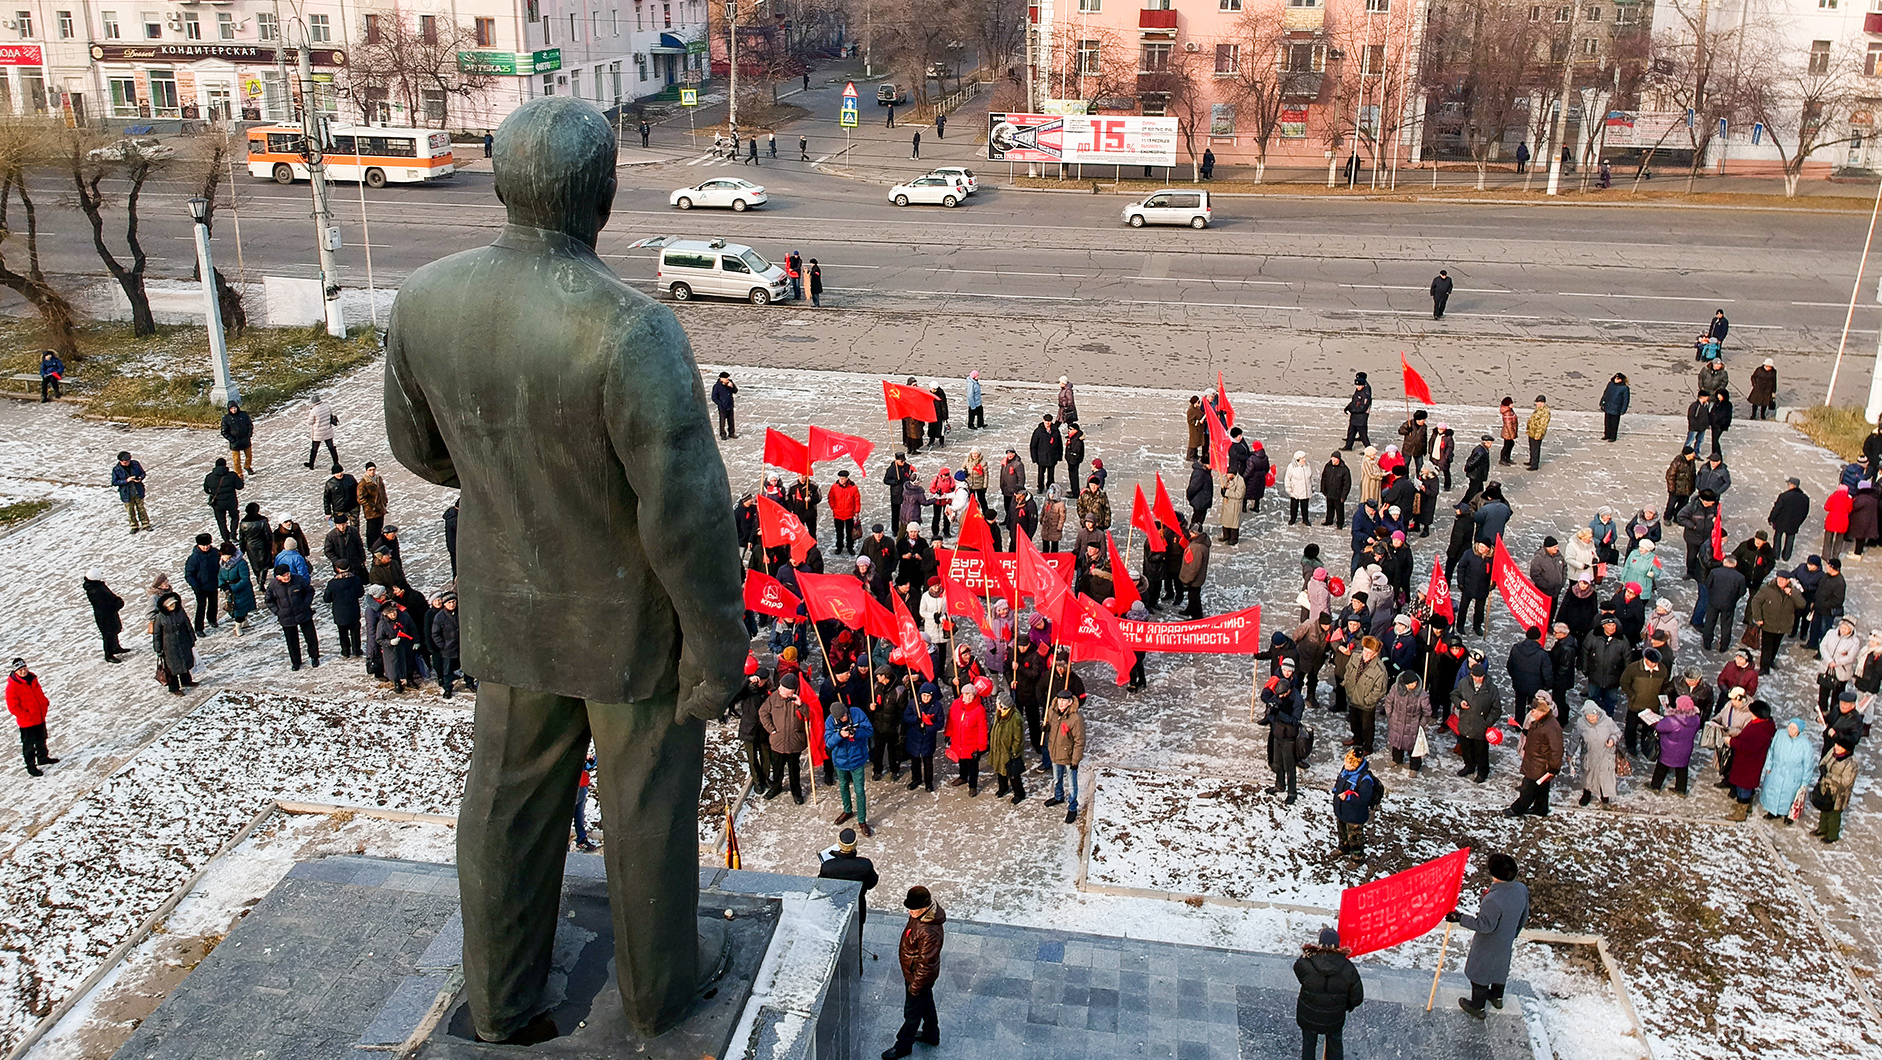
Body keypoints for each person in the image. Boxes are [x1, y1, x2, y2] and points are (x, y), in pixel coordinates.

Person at [1449, 852, 1530, 1019]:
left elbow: (1485, 926)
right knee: (1500, 971)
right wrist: (1512, 934)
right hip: (1506, 940)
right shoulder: (1521, 889)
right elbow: (1524, 915)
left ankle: (1477, 1007)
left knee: (1480, 975)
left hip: (1488, 945)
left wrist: (1460, 918)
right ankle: (1497, 997)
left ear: (1494, 875)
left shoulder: (1493, 899)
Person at [882, 885, 945, 1059]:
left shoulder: (930, 932)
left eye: (914, 908)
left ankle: (903, 1045)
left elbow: (926, 964)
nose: (910, 911)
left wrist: (915, 986)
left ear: (924, 908)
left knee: (912, 1013)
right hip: (915, 974)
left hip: (918, 977)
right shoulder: (922, 917)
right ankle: (931, 1035)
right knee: (926, 1004)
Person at [1294, 927, 1363, 1060]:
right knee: (1334, 1045)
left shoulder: (1306, 963)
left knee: (1308, 1045)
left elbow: (1299, 971)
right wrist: (1346, 1005)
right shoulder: (1348, 968)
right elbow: (1357, 997)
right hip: (1334, 1018)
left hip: (1308, 1016)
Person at [817, 828, 879, 973]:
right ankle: (857, 970)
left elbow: (822, 887)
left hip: (836, 907)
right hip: (858, 906)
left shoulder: (828, 866)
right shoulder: (865, 864)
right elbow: (871, 883)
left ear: (839, 844)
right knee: (856, 938)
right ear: (855, 845)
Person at [826, 693, 875, 834]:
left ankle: (862, 820)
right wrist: (840, 735)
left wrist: (857, 732)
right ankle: (847, 810)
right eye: (841, 718)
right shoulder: (830, 722)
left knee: (859, 791)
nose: (845, 718)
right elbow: (828, 743)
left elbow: (869, 730)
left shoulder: (857, 713)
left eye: (845, 715)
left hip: (857, 759)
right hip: (840, 761)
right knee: (843, 786)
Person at [1506, 695, 1562, 816]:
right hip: (1535, 761)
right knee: (1542, 788)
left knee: (1528, 788)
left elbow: (1557, 751)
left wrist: (1553, 769)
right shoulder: (1543, 721)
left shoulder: (1551, 728)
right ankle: (1540, 809)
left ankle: (1517, 809)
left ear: (1541, 712)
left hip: (1539, 766)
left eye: (1533, 710)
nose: (1531, 712)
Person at [264, 562, 321, 671]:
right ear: (278, 577)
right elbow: (268, 600)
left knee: (310, 637)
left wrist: (306, 604)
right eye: (284, 576)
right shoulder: (273, 586)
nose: (287, 577)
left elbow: (309, 591)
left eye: (288, 574)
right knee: (291, 641)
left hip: (303, 613)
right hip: (286, 617)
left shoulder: (298, 579)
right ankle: (296, 662)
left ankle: (314, 657)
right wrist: (278, 612)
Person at [1262, 658, 1305, 802]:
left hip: (1288, 738)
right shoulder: (1280, 693)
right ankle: (1279, 785)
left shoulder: (1297, 700)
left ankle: (1292, 792)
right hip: (1277, 734)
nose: (1279, 697)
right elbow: (1272, 702)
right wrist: (1271, 714)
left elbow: (1294, 721)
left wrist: (1279, 712)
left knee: (1289, 766)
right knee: (1277, 763)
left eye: (1281, 695)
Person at [1758, 718, 1817, 822]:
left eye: (1794, 728)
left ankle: (1788, 815)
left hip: (1793, 776)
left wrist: (1804, 782)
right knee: (1773, 792)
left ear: (1799, 730)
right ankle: (1772, 811)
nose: (1791, 730)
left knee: (1788, 796)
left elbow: (1808, 765)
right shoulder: (1780, 734)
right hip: (1776, 770)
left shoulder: (1805, 745)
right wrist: (1769, 765)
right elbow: (1771, 750)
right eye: (1790, 727)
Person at [6, 659, 56, 776]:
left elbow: (39, 693)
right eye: (20, 670)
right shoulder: (12, 687)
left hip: (39, 716)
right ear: (15, 671)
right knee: (29, 746)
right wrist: (26, 716)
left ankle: (43, 758)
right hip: (27, 722)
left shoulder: (32, 679)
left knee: (42, 739)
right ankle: (31, 767)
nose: (23, 671)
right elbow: (13, 707)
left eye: (24, 668)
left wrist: (44, 702)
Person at [1043, 689, 1085, 823]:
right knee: (1057, 779)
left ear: (1070, 702)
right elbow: (1051, 725)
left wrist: (1075, 760)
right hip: (1055, 752)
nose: (1061, 703)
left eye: (1064, 701)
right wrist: (1046, 728)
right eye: (1059, 700)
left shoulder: (1075, 718)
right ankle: (1059, 796)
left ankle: (1072, 808)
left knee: (1072, 785)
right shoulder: (1052, 712)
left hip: (1068, 756)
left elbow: (1080, 741)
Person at [1331, 748, 1380, 862]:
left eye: (1348, 763)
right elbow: (1340, 782)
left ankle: (1357, 857)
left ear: (1355, 765)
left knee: (1355, 838)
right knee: (1342, 832)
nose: (1345, 764)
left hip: (1355, 816)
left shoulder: (1365, 780)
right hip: (1342, 811)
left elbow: (1363, 799)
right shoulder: (1346, 771)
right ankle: (1343, 847)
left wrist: (1348, 797)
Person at [151, 590, 198, 695]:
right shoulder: (160, 617)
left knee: (184, 661)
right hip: (169, 646)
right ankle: (174, 688)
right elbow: (157, 635)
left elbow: (187, 625)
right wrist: (158, 649)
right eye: (171, 604)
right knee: (172, 668)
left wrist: (192, 639)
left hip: (183, 641)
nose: (174, 606)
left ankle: (186, 681)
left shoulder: (180, 611)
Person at [1574, 701, 1621, 807]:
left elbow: (1617, 733)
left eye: (1593, 716)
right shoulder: (1580, 723)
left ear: (1598, 714)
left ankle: (1605, 796)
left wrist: (1612, 739)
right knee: (1588, 775)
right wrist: (1570, 752)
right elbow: (1575, 738)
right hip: (1589, 755)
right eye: (1588, 716)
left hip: (1605, 755)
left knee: (1604, 776)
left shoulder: (1608, 721)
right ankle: (1587, 794)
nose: (1591, 719)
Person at [1813, 742, 1859, 844]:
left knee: (1834, 814)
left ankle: (1832, 835)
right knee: (1824, 810)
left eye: (1840, 746)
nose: (1836, 747)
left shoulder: (1851, 764)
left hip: (1838, 795)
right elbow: (1824, 761)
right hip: (1826, 789)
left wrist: (1829, 776)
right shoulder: (1832, 752)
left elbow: (1845, 782)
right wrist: (1822, 767)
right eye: (1836, 745)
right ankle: (1822, 829)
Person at [82, 569, 128, 662]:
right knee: (108, 634)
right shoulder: (95, 590)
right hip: (104, 615)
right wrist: (117, 604)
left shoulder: (95, 586)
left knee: (114, 630)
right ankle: (109, 655)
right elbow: (105, 604)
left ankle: (116, 647)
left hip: (107, 614)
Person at [113, 451, 152, 534]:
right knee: (130, 511)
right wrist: (126, 480)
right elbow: (114, 482)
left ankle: (146, 524)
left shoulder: (135, 464)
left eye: (128, 461)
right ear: (120, 461)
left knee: (141, 508)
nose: (127, 463)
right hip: (126, 493)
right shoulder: (116, 469)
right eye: (125, 462)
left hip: (138, 490)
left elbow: (143, 473)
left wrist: (140, 478)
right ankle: (134, 526)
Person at [357, 463, 390, 548]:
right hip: (371, 511)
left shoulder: (378, 479)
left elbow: (382, 490)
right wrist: (371, 506)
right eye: (370, 470)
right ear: (366, 471)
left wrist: (385, 501)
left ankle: (379, 543)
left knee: (379, 527)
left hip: (380, 507)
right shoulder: (363, 483)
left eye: (373, 469)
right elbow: (360, 498)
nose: (372, 472)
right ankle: (372, 546)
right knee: (371, 530)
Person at [304, 393, 339, 469]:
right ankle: (336, 463)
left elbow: (310, 422)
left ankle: (311, 464)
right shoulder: (327, 406)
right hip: (328, 430)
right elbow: (330, 415)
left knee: (314, 449)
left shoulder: (314, 410)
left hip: (318, 432)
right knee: (331, 447)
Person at [220, 401, 255, 474]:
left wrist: (249, 434)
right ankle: (239, 474)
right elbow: (224, 432)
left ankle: (247, 466)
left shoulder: (244, 415)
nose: (234, 410)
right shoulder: (226, 419)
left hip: (245, 439)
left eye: (234, 408)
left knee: (249, 456)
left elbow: (249, 425)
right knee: (236, 460)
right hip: (235, 442)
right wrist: (232, 439)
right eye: (231, 408)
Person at [1342, 373, 1372, 449]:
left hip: (1361, 417)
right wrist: (1348, 407)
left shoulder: (1366, 394)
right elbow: (1354, 401)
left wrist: (1353, 410)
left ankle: (1368, 449)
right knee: (1351, 431)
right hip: (1354, 416)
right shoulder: (1358, 391)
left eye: (1359, 385)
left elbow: (1363, 408)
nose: (1357, 387)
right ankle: (1348, 446)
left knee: (1363, 435)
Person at [1599, 373, 1630, 442]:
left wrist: (1623, 409)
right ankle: (1607, 435)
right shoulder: (1610, 384)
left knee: (1614, 423)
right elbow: (1606, 393)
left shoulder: (1624, 388)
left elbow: (1626, 400)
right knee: (1607, 422)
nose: (1616, 380)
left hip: (1616, 408)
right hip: (1608, 406)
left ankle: (1613, 436)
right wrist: (1602, 402)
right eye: (1616, 378)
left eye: (1618, 379)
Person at [1525, 395, 1551, 470]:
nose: (1536, 404)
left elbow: (1543, 425)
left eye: (1538, 402)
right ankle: (1531, 460)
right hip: (1532, 432)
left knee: (1535, 449)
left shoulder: (1545, 412)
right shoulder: (1539, 409)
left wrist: (1538, 435)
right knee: (1532, 448)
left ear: (1542, 403)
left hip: (1536, 433)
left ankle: (1534, 465)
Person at [712, 371, 738, 439]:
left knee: (731, 421)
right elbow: (714, 397)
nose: (727, 380)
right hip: (722, 407)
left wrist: (732, 386)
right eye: (726, 378)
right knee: (722, 421)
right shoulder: (717, 386)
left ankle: (731, 433)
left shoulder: (730, 383)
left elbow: (735, 391)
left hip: (730, 405)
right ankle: (723, 434)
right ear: (721, 378)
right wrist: (720, 404)